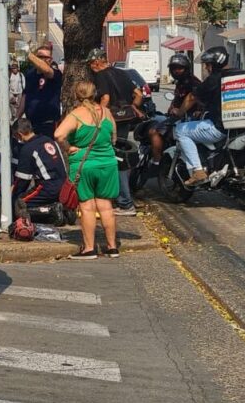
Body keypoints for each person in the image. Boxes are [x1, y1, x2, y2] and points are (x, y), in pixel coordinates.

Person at [55, 80, 120, 259]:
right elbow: (114, 135)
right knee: (106, 206)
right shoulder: (106, 112)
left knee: (87, 207)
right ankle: (112, 247)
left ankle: (89, 249)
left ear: (76, 95)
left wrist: (69, 148)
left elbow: (58, 135)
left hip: (84, 165)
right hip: (107, 163)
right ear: (94, 94)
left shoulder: (75, 115)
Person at [87, 48, 141, 216]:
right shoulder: (122, 73)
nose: (90, 67)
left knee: (114, 160)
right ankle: (119, 199)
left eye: (91, 63)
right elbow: (138, 94)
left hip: (111, 123)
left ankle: (125, 203)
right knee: (120, 158)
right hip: (124, 121)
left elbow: (106, 99)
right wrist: (132, 107)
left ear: (97, 61)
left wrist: (99, 120)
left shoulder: (101, 75)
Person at [175, 47, 234, 186]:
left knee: (180, 130)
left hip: (218, 127)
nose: (206, 68)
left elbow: (192, 97)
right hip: (237, 127)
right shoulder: (235, 75)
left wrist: (179, 113)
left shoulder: (214, 79)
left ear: (214, 64)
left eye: (207, 64)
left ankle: (198, 170)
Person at [148, 53, 200, 165]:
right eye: (174, 68)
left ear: (186, 68)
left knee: (154, 132)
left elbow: (195, 98)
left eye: (180, 68)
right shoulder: (181, 82)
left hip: (187, 119)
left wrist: (180, 111)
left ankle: (157, 162)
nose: (176, 71)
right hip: (181, 118)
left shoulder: (192, 82)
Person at [12, 117, 68, 217]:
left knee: (19, 203)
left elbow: (22, 180)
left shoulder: (28, 149)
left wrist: (14, 193)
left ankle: (52, 211)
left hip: (48, 187)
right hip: (63, 184)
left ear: (19, 135)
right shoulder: (48, 140)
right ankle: (62, 209)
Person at [18, 45, 62, 137]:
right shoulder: (30, 74)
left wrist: (28, 54)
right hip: (31, 123)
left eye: (46, 57)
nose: (43, 60)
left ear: (50, 59)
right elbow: (25, 95)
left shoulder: (54, 73)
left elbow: (46, 69)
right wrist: (17, 117)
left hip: (48, 124)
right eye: (40, 57)